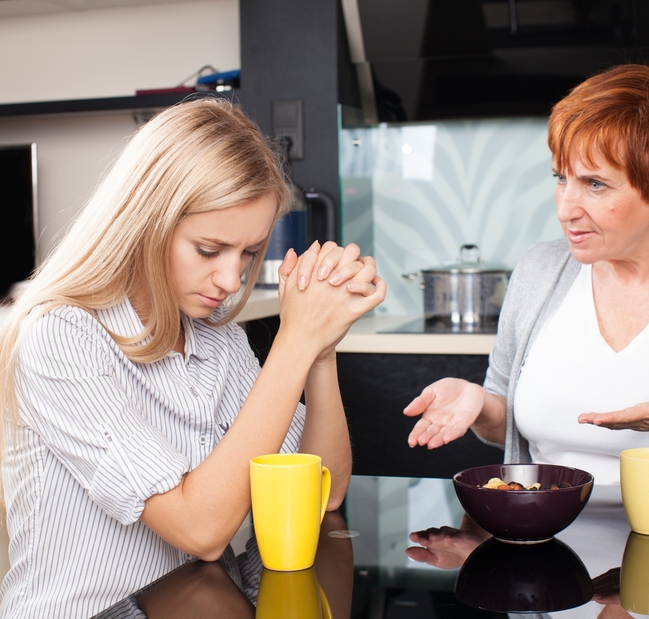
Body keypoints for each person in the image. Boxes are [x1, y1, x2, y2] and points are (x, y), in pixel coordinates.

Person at [0, 98, 385, 618]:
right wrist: (294, 339)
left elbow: (324, 492)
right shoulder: (61, 336)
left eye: (248, 253)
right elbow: (200, 530)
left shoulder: (213, 337)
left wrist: (320, 347)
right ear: (145, 222)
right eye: (209, 250)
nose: (230, 281)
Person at [404, 63, 649, 491]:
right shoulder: (538, 272)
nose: (565, 209)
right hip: (545, 548)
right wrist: (482, 405)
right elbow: (512, 429)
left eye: (595, 184)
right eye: (561, 178)